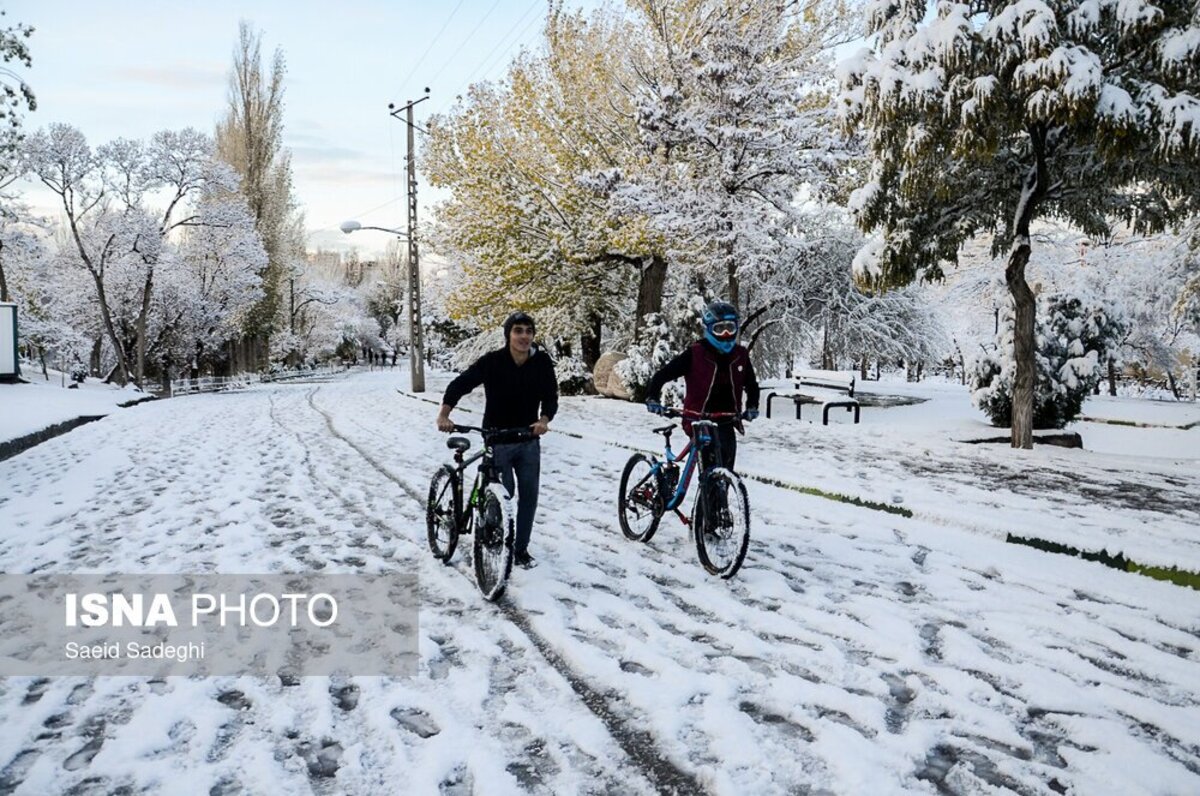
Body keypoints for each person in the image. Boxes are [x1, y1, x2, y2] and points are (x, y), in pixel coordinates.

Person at [436, 311, 557, 569]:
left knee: (529, 495)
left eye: (528, 331)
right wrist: (444, 414)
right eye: (518, 330)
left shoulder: (542, 362)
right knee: (505, 493)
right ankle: (493, 537)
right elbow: (462, 383)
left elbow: (550, 396)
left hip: (528, 438)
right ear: (508, 335)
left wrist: (544, 419)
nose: (524, 336)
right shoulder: (493, 361)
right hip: (497, 438)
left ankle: (520, 550)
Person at [644, 301, 760, 474]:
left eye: (730, 328)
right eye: (719, 329)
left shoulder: (740, 355)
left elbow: (751, 385)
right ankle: (706, 489)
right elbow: (663, 375)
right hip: (698, 420)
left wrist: (752, 406)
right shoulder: (695, 353)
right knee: (708, 470)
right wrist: (652, 398)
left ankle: (722, 489)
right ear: (708, 329)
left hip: (727, 420)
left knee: (726, 469)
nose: (726, 334)